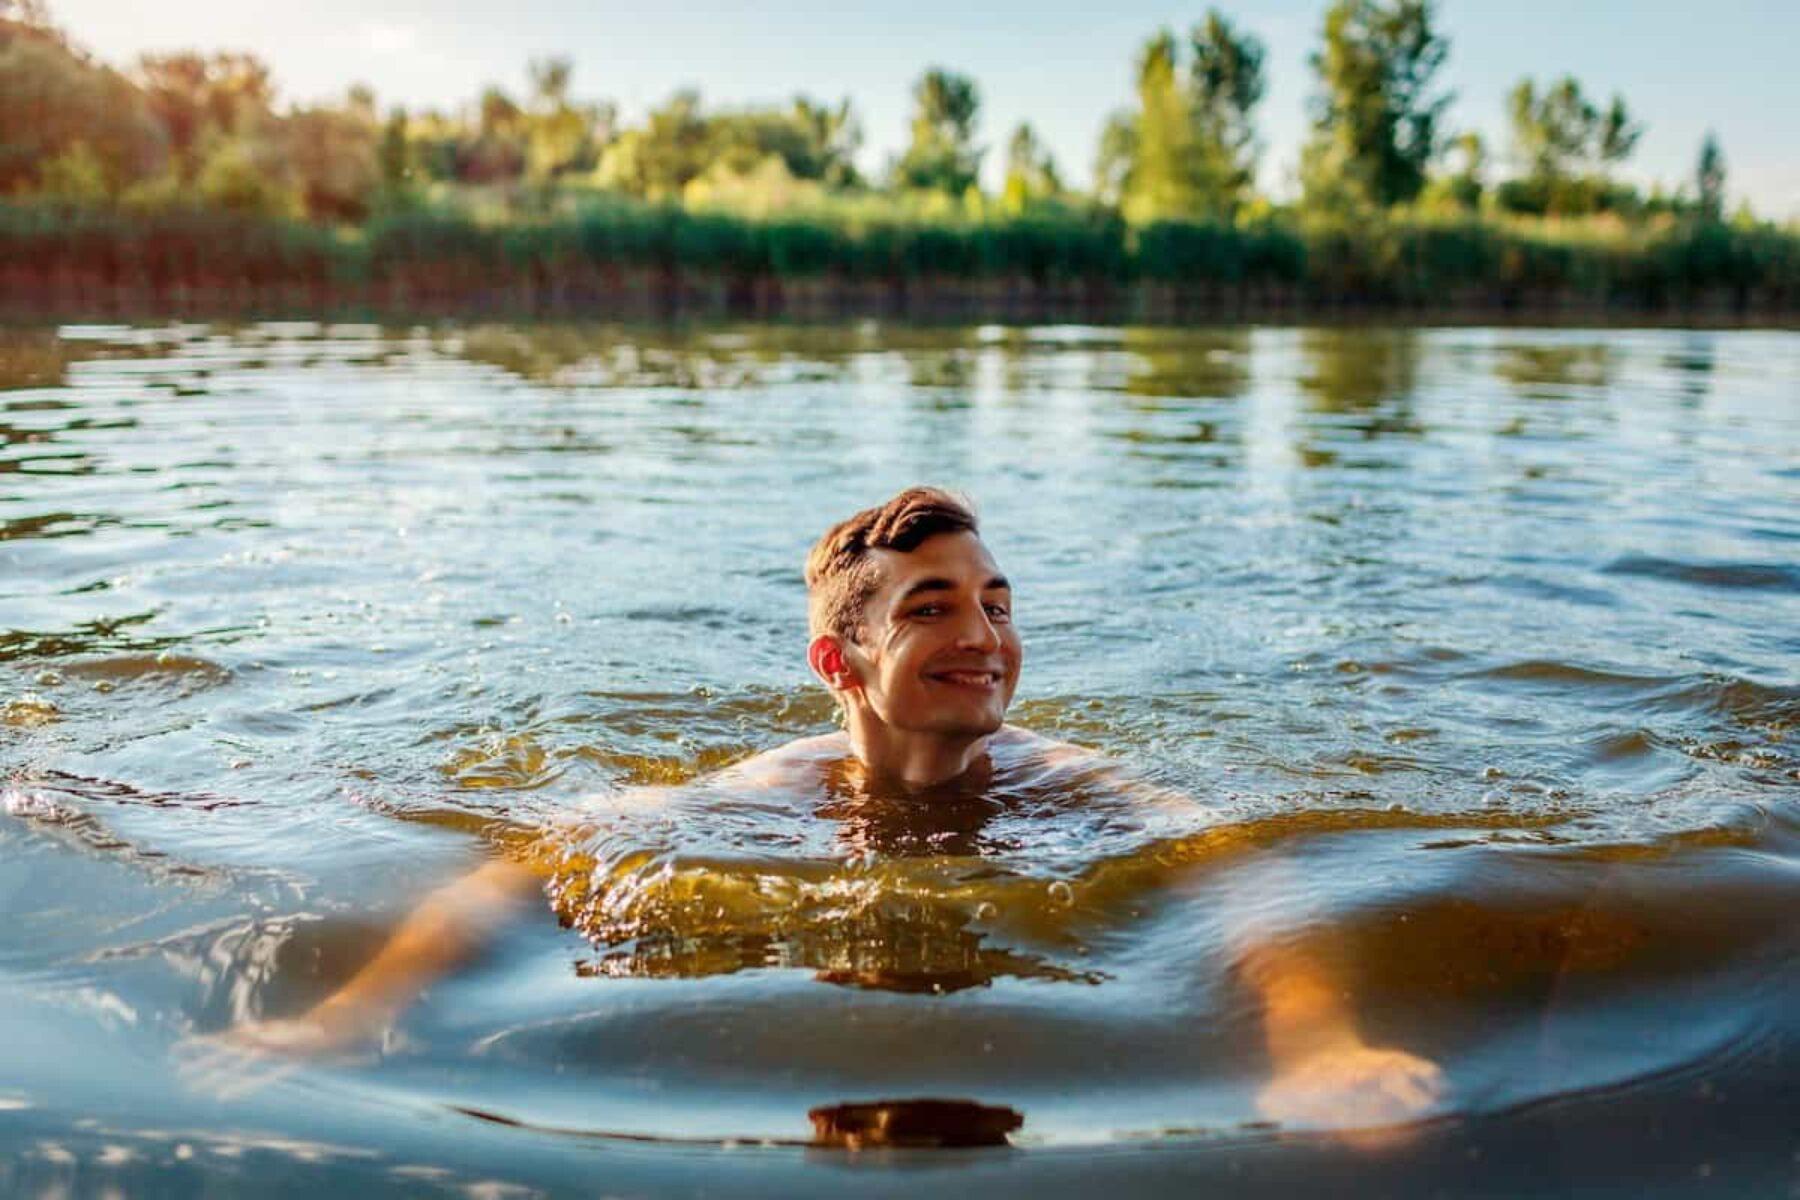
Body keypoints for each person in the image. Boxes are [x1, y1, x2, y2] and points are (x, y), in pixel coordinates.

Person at [187, 486, 1443, 1146]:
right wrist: (353, 1020)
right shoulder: (761, 798)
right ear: (837, 668)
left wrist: (1318, 1043)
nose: (985, 636)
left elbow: (1243, 884)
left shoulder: (1081, 788)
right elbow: (522, 873)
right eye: (932, 608)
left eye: (997, 603)